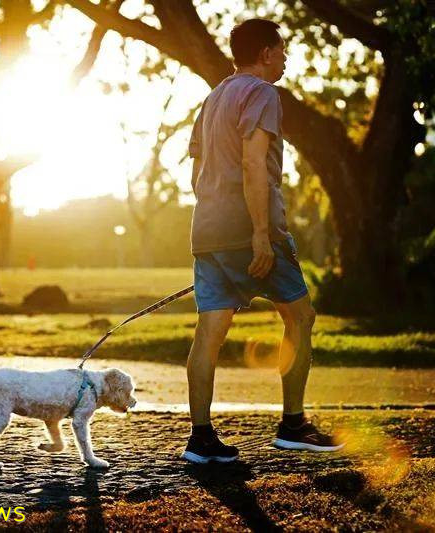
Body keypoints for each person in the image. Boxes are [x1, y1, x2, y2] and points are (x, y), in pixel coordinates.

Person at [182, 18, 344, 464]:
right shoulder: (262, 93)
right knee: (301, 317)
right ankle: (293, 425)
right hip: (254, 230)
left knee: (209, 333)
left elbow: (197, 173)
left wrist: (216, 227)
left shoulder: (213, 99)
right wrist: (258, 235)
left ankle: (200, 439)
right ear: (267, 52)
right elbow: (255, 164)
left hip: (207, 229)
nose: (287, 58)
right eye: (283, 50)